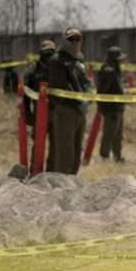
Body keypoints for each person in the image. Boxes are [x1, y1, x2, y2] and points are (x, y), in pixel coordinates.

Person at [46, 28, 92, 175]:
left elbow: (85, 82)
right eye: (71, 39)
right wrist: (79, 99)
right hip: (65, 110)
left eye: (78, 39)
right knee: (65, 152)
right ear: (65, 41)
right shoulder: (57, 60)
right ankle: (61, 187)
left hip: (79, 111)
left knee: (77, 151)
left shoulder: (78, 60)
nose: (75, 42)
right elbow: (61, 88)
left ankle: (72, 184)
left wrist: (89, 96)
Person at [24, 40, 57, 171]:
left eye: (51, 53)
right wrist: (28, 113)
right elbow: (26, 94)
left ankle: (52, 172)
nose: (48, 56)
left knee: (56, 144)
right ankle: (35, 171)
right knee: (38, 143)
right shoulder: (33, 70)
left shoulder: (59, 69)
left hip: (57, 111)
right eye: (46, 53)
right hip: (39, 112)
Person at [96, 46, 126, 163]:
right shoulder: (109, 71)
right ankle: (104, 156)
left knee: (118, 134)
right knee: (109, 133)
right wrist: (105, 106)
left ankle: (117, 156)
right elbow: (104, 90)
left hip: (118, 106)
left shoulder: (114, 69)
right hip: (111, 108)